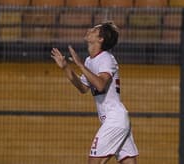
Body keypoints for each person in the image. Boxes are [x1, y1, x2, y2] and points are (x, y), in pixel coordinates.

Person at [51, 21, 139, 164]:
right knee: (128, 161)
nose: (89, 30)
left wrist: (79, 64)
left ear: (101, 39)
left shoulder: (105, 58)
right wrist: (66, 68)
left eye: (94, 29)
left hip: (114, 119)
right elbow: (83, 88)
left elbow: (100, 85)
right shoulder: (90, 61)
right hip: (117, 120)